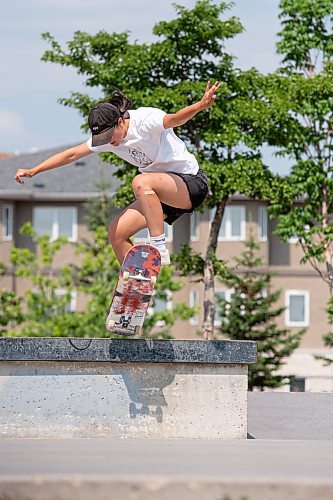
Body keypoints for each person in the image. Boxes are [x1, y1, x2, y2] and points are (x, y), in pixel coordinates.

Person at [15, 80, 220, 266]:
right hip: (158, 197)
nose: (110, 143)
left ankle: (158, 246)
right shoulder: (110, 139)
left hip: (190, 184)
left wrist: (200, 106)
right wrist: (34, 170)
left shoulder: (145, 120)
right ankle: (136, 281)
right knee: (116, 233)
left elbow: (174, 119)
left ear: (120, 122)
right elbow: (71, 154)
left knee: (141, 182)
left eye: (110, 136)